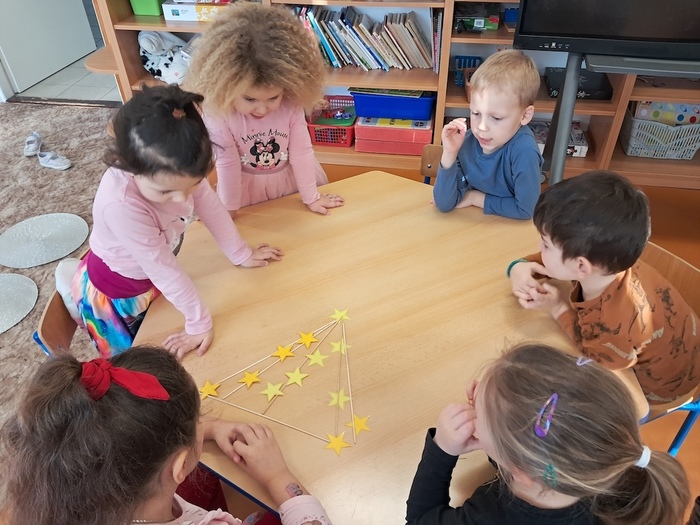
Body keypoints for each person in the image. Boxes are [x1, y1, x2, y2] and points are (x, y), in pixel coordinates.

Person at [0, 345, 332, 525]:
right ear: (180, 465)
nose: (202, 423)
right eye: (198, 420)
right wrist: (278, 478)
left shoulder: (43, 496)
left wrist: (201, 430)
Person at [71, 84, 283, 358]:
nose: (182, 199)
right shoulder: (120, 205)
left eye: (192, 185)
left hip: (151, 274)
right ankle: (72, 287)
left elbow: (210, 206)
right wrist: (199, 323)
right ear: (129, 167)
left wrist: (240, 253)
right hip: (120, 292)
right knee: (134, 361)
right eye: (165, 192)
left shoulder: (181, 163)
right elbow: (162, 268)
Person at [406, 343, 691, 525]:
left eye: (477, 415)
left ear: (520, 471)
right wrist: (499, 428)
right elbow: (540, 448)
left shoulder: (489, 516)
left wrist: (442, 449)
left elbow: (419, 519)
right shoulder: (605, 475)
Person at [508, 170, 700, 407]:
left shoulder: (615, 324)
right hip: (675, 346)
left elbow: (595, 357)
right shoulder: (608, 261)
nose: (539, 247)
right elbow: (561, 263)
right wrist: (519, 267)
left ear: (582, 266)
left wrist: (558, 308)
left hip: (659, 389)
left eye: (545, 244)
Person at [185, 3, 344, 217]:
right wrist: (229, 209)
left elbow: (301, 152)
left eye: (273, 98)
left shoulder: (291, 103)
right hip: (246, 191)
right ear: (225, 87)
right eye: (249, 99)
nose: (261, 109)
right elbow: (227, 163)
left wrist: (311, 197)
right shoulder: (219, 114)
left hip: (292, 183)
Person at [433, 49, 543, 220]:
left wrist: (474, 198)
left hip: (507, 228)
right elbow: (444, 204)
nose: (481, 127)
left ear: (525, 116)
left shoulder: (524, 151)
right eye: (476, 113)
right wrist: (449, 153)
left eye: (496, 118)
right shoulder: (467, 141)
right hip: (474, 224)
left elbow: (526, 210)